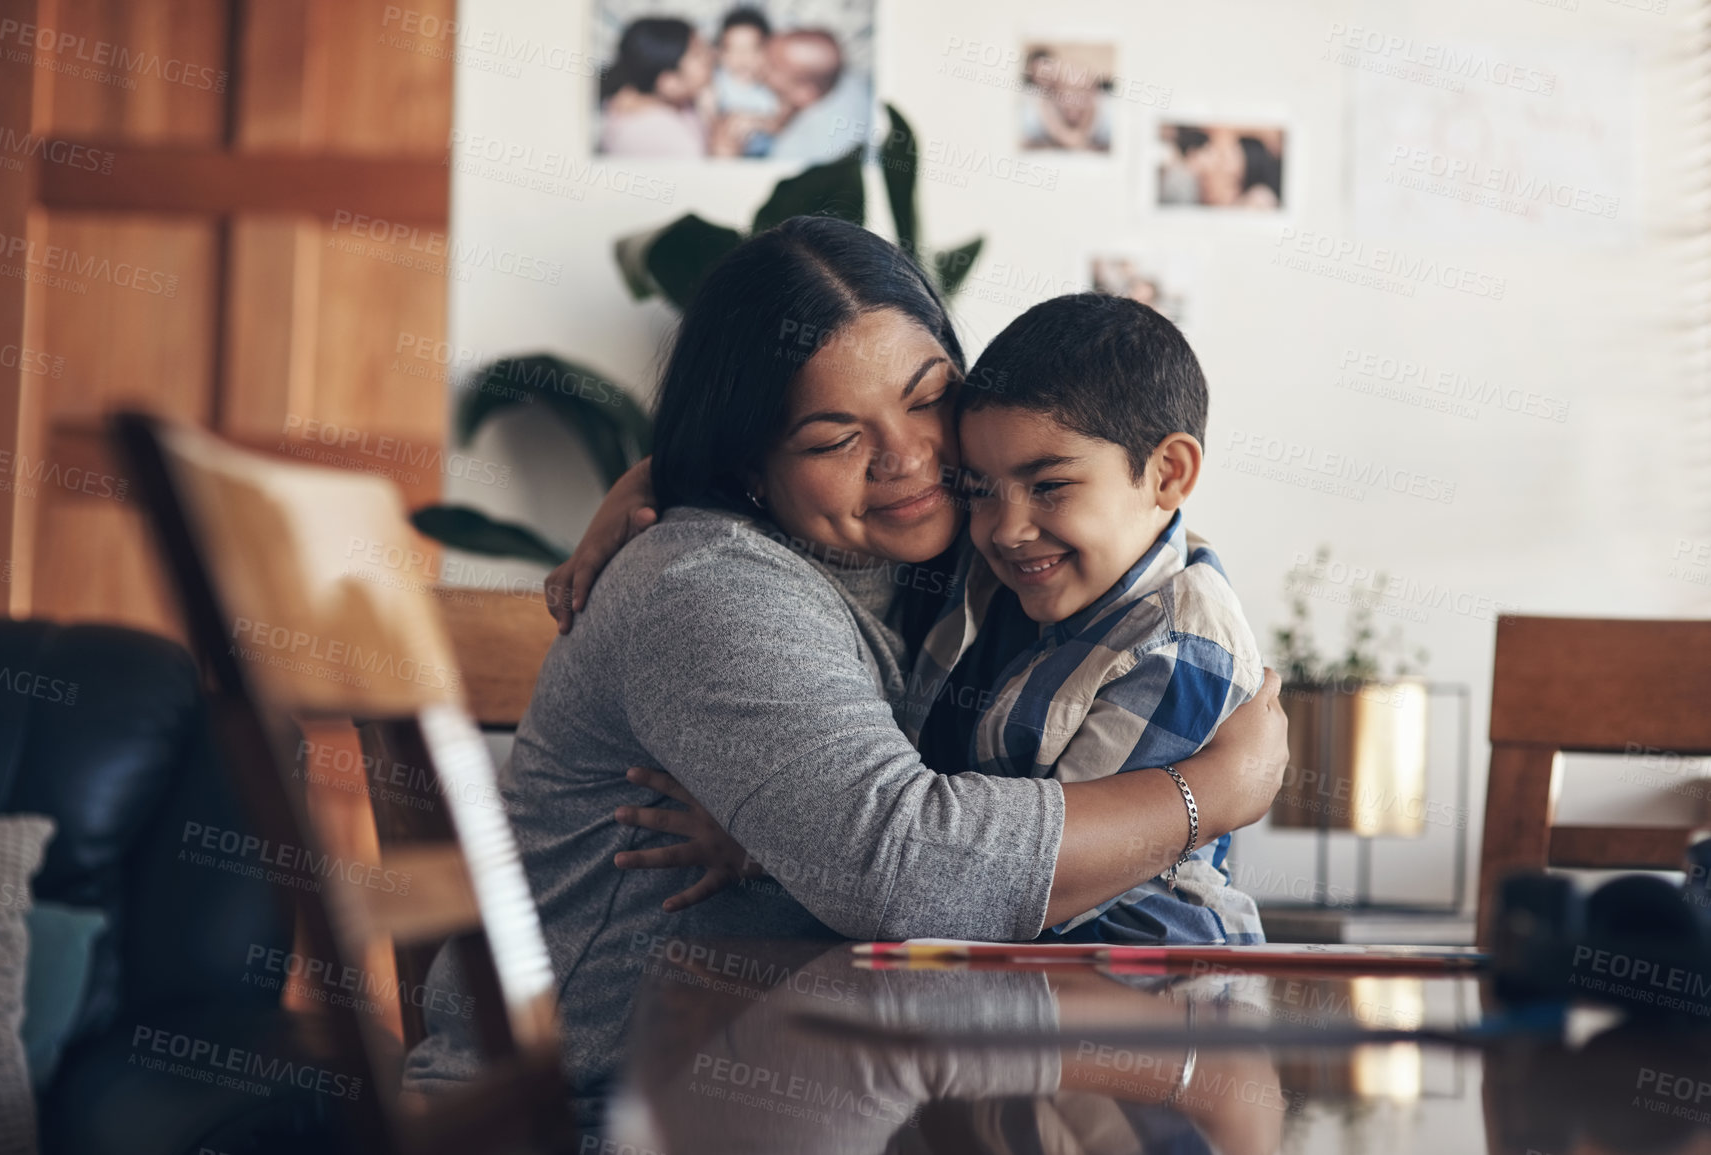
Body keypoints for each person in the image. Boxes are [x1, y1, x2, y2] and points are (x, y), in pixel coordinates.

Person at [403, 217, 1289, 1128]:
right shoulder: (709, 585)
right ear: (750, 462)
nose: (907, 457)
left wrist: (655, 474)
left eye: (925, 397)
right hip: (586, 1116)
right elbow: (901, 869)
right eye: (833, 439)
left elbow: (1132, 530)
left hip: (805, 1088)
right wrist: (1210, 793)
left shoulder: (953, 560)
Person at [929, 293, 1266, 943]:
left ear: (1167, 473)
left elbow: (1056, 866)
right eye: (979, 491)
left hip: (1130, 965)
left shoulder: (1180, 643)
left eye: (1049, 486)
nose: (1006, 529)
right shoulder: (993, 579)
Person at [598, 17, 714, 158]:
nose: (711, 56)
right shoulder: (668, 138)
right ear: (669, 82)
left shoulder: (680, 103)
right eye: (697, 54)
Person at [760, 29, 871, 162]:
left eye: (773, 67)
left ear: (805, 94)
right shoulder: (850, 81)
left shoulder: (793, 151)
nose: (761, 69)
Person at [711, 6, 781, 160]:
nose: (742, 58)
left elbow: (785, 122)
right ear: (720, 52)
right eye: (733, 49)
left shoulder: (774, 84)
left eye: (752, 49)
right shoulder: (715, 85)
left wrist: (761, 123)